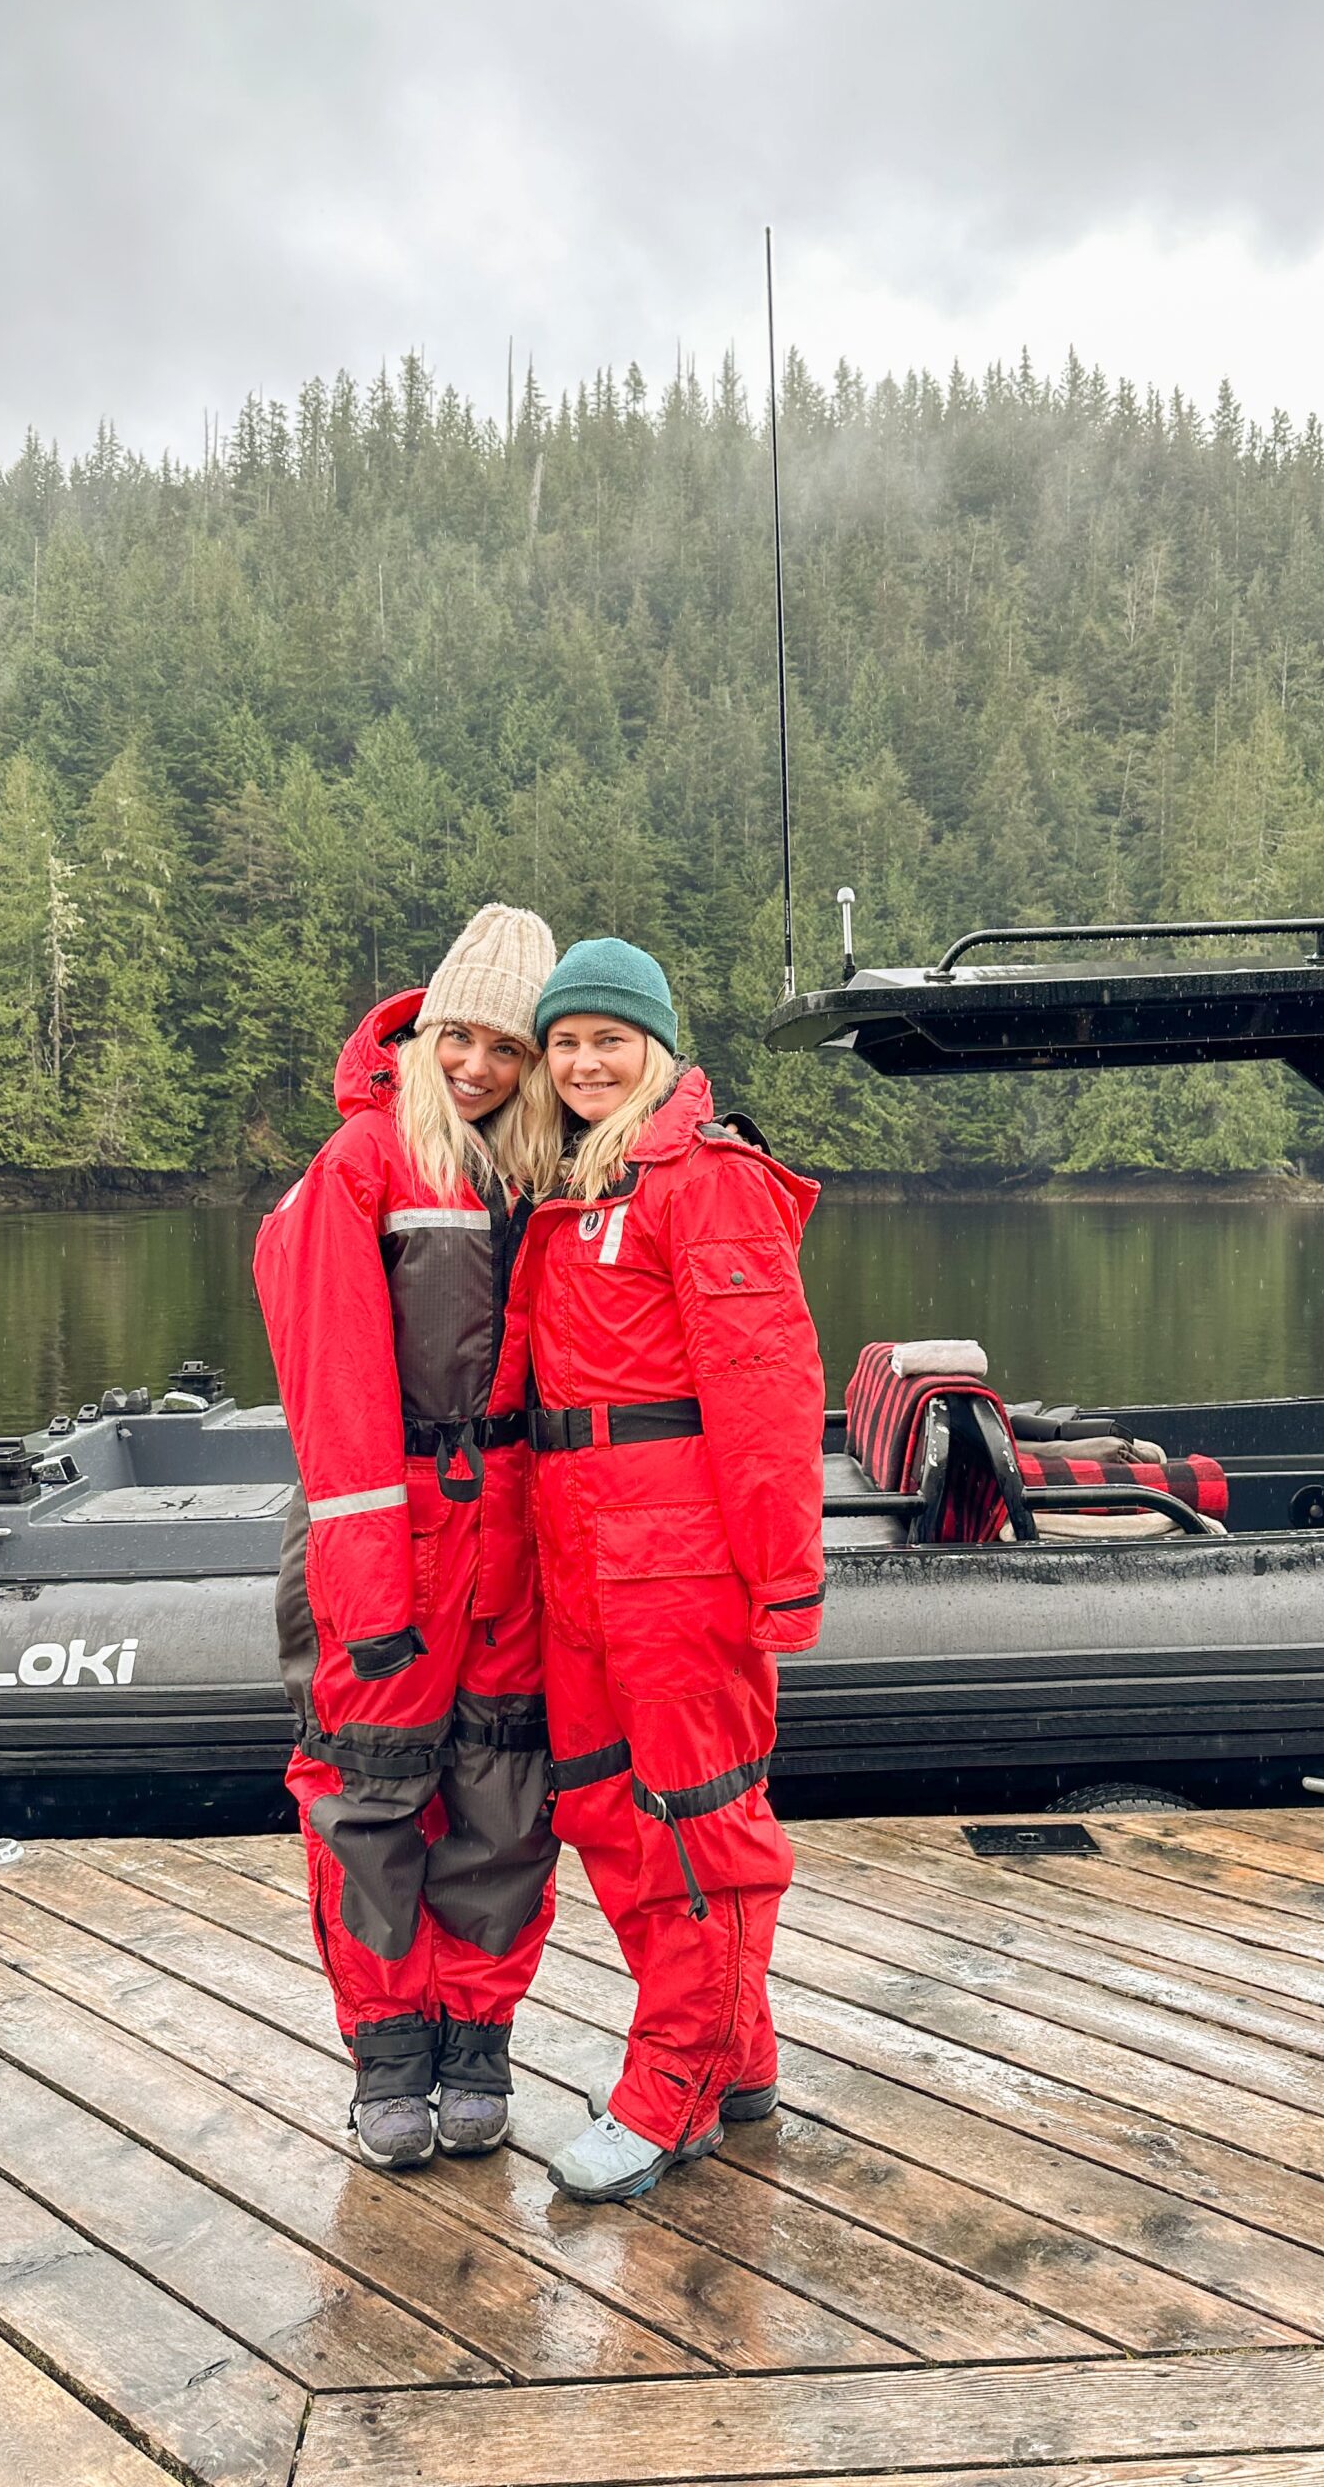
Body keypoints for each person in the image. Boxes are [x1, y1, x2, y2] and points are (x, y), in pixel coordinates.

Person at [490, 937, 827, 2203]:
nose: (583, 1062)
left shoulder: (707, 1180)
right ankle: (737, 2056)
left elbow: (764, 1389)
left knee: (698, 1829)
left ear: (659, 1047)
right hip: (579, 1552)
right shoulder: (578, 1182)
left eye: (608, 1040)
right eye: (565, 1041)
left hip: (677, 1560)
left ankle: (668, 2090)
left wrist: (782, 1575)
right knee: (599, 1807)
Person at [253, 905, 560, 2171]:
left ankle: (476, 2043)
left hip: (517, 1541)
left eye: (507, 1047)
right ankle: (387, 2054)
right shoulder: (362, 1165)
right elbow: (336, 1399)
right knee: (370, 1793)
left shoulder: (553, 1169)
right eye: (460, 1036)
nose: (477, 1066)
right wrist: (369, 1590)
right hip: (389, 1531)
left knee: (504, 1793)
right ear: (424, 1027)